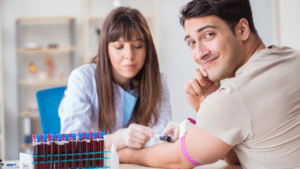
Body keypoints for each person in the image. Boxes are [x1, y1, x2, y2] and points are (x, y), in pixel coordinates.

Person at [117, 0, 300, 168]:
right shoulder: (292, 59)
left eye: (208, 35)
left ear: (242, 29)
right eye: (191, 42)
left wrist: (121, 153)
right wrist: (208, 104)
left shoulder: (234, 95)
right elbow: (236, 157)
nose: (199, 53)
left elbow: (178, 160)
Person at [58, 7, 172, 150]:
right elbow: (72, 144)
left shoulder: (157, 82)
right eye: (119, 47)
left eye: (137, 46)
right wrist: (118, 139)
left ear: (147, 49)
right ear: (105, 49)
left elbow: (160, 139)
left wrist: (169, 136)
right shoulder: (82, 79)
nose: (129, 55)